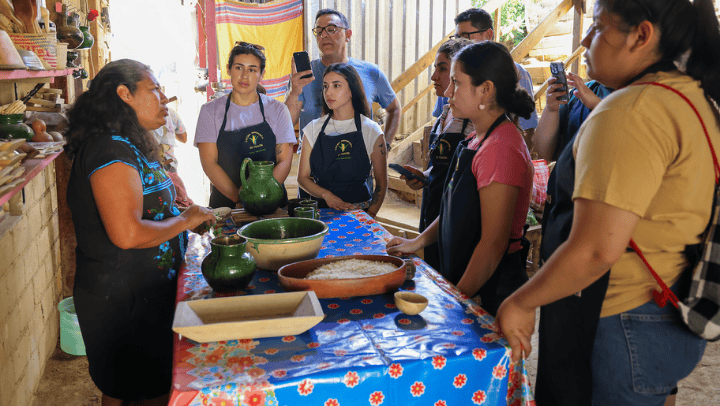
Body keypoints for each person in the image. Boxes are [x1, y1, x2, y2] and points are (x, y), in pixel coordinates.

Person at [496, 1, 720, 405]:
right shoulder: (693, 101)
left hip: (620, 320)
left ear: (642, 35)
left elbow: (597, 249)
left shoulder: (630, 111)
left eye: (598, 27)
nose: (584, 40)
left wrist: (521, 301)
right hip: (666, 312)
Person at [64, 59, 215, 406]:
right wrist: (186, 220)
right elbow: (127, 234)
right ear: (124, 94)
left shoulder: (129, 145)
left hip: (143, 295)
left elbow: (148, 210)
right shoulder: (109, 149)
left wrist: (182, 215)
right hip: (123, 303)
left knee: (132, 391)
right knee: (140, 392)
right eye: (155, 90)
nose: (165, 99)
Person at [387, 41, 535, 316]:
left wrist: (454, 300)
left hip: (491, 286)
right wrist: (416, 242)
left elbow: (493, 244)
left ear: (486, 90)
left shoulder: (500, 149)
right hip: (466, 269)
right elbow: (458, 210)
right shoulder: (476, 139)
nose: (449, 92)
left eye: (456, 82)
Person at [400, 38, 474, 270]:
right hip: (432, 213)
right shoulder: (443, 114)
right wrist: (424, 176)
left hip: (457, 222)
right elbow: (443, 168)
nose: (434, 77)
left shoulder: (473, 122)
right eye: (435, 69)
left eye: (442, 69)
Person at [196, 41, 296, 208]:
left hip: (271, 203)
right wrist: (239, 199)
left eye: (252, 69)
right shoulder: (210, 111)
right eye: (239, 67)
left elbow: (284, 160)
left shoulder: (278, 110)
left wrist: (261, 197)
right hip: (227, 205)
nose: (244, 76)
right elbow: (209, 163)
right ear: (229, 69)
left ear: (261, 74)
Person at [285, 9, 401, 148]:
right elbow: (287, 124)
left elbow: (394, 109)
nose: (324, 35)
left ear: (348, 35)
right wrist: (294, 92)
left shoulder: (371, 72)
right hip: (312, 163)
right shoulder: (302, 76)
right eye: (319, 31)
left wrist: (385, 146)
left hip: (359, 161)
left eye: (331, 29)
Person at [297, 63, 387, 217]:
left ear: (352, 90)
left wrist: (370, 216)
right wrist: (326, 195)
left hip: (359, 213)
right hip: (321, 214)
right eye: (325, 86)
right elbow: (302, 178)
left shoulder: (371, 130)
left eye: (336, 86)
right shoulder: (313, 129)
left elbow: (382, 182)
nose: (328, 92)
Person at [439, 8, 538, 137]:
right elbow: (440, 120)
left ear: (488, 35)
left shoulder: (516, 73)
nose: (459, 42)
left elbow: (527, 130)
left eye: (465, 36)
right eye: (457, 37)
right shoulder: (452, 70)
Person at [153, 106, 194, 207]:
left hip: (159, 165)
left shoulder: (141, 113)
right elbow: (183, 137)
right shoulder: (170, 112)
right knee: (174, 200)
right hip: (168, 164)